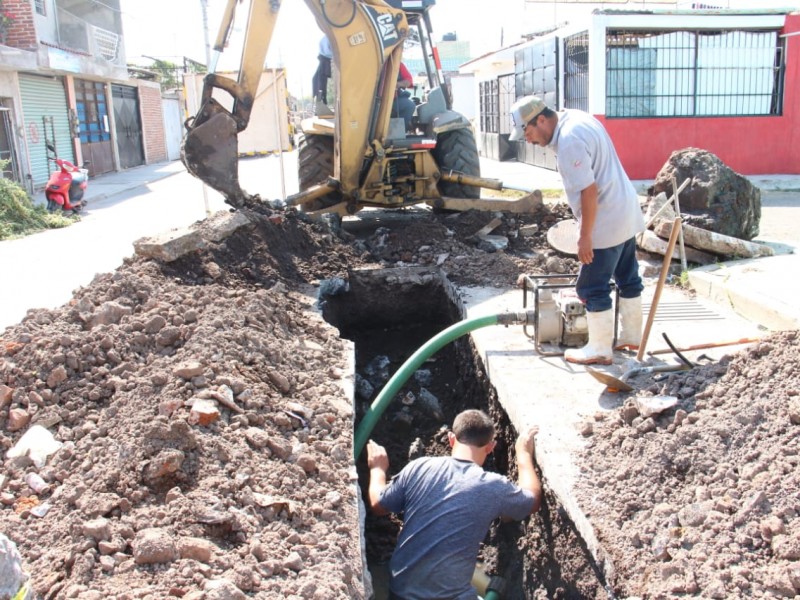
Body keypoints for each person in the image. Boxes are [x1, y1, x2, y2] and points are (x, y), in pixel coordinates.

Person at [508, 95, 646, 365]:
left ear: (542, 119)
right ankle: (631, 335)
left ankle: (599, 348)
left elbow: (589, 191)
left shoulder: (569, 140)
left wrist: (585, 237)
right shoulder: (578, 118)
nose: (528, 140)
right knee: (627, 277)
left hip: (606, 220)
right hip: (626, 211)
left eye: (528, 132)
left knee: (591, 286)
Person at [367, 409, 541, 600]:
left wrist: (377, 469)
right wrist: (523, 454)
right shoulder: (493, 486)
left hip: (399, 592)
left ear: (451, 439)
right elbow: (532, 500)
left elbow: (378, 504)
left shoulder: (419, 467)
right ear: (491, 446)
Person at [392, 62, 416, 131]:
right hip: (375, 100)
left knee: (409, 105)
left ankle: (399, 132)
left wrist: (398, 84)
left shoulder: (397, 64)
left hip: (393, 99)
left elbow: (409, 81)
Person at [312, 35, 333, 104]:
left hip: (325, 58)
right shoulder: (327, 38)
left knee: (318, 80)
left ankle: (321, 100)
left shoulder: (327, 38)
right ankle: (321, 100)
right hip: (324, 58)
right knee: (317, 80)